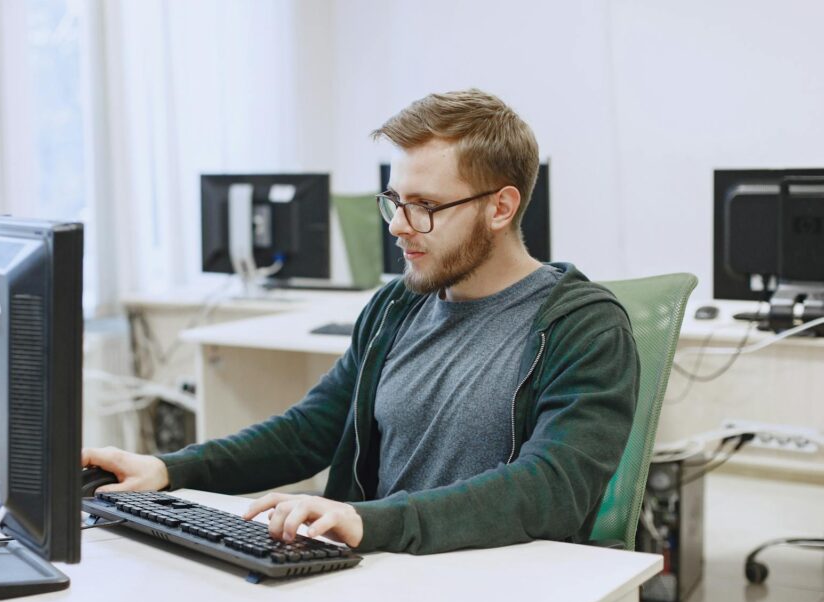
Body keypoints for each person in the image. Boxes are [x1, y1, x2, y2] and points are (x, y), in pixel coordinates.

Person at [83, 88, 639, 555]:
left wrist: (369, 522)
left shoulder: (583, 328)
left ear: (500, 207)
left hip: (499, 587)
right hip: (383, 572)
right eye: (393, 200)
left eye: (424, 205)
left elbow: (551, 490)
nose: (398, 226)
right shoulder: (395, 308)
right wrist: (167, 469)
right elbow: (312, 431)